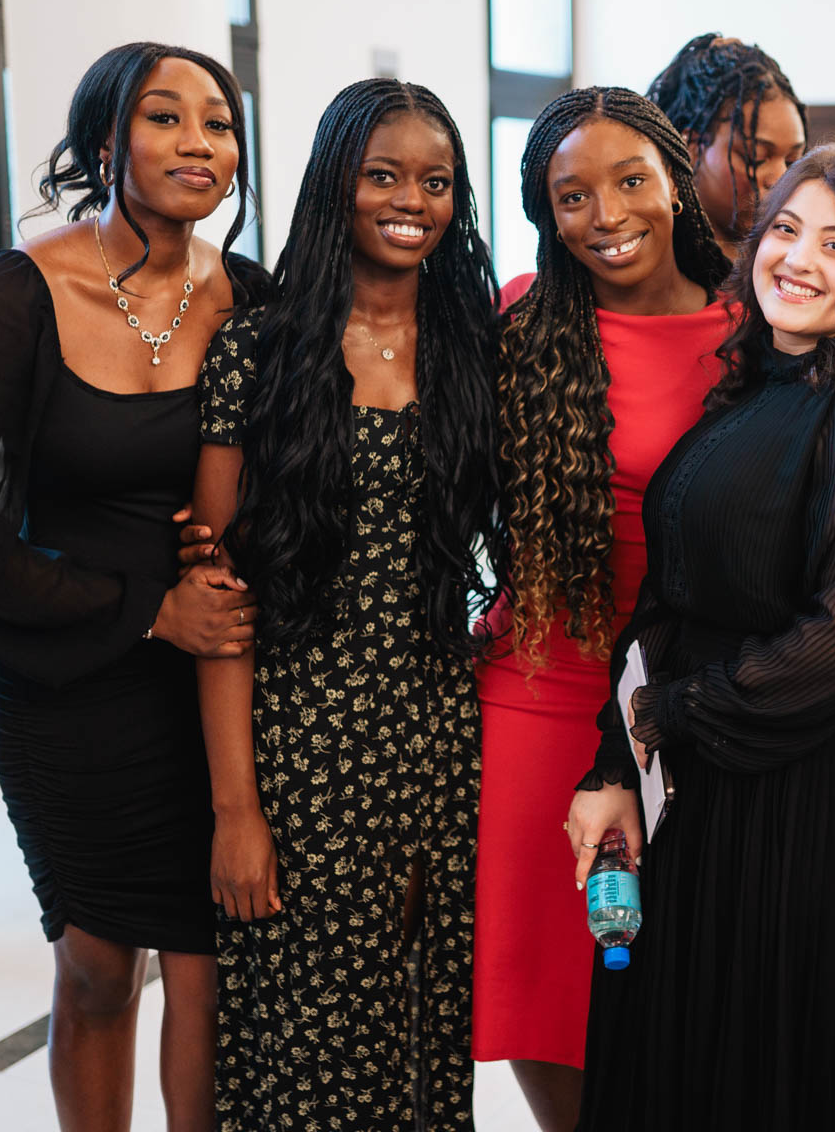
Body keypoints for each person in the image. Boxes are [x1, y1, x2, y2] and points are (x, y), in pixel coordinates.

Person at [0, 42, 262, 1132]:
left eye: (218, 122)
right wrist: (147, 609)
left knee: (213, 976)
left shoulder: (253, 298)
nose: (198, 141)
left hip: (216, 689)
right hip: (69, 680)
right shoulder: (15, 292)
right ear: (106, 142)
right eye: (165, 116)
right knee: (100, 968)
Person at [566, 143, 835, 1131]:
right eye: (786, 229)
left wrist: (669, 715)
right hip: (697, 792)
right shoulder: (752, 389)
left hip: (797, 806)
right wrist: (617, 759)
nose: (800, 258)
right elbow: (667, 602)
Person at [191, 79, 502, 1129]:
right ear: (337, 184)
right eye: (384, 175)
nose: (411, 200)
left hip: (440, 733)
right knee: (314, 1037)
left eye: (436, 182)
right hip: (302, 744)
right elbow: (219, 597)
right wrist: (237, 810)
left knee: (423, 1019)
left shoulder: (474, 352)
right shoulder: (258, 352)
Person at [476, 86, 735, 1132]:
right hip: (541, 694)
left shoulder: (753, 323)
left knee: (682, 991)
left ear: (676, 180)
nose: (607, 214)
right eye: (572, 194)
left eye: (631, 180)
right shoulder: (522, 319)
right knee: (545, 990)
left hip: (693, 698)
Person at [646, 32, 808, 261]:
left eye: (792, 161)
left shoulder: (795, 266)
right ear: (689, 148)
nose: (781, 179)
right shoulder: (651, 266)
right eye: (756, 159)